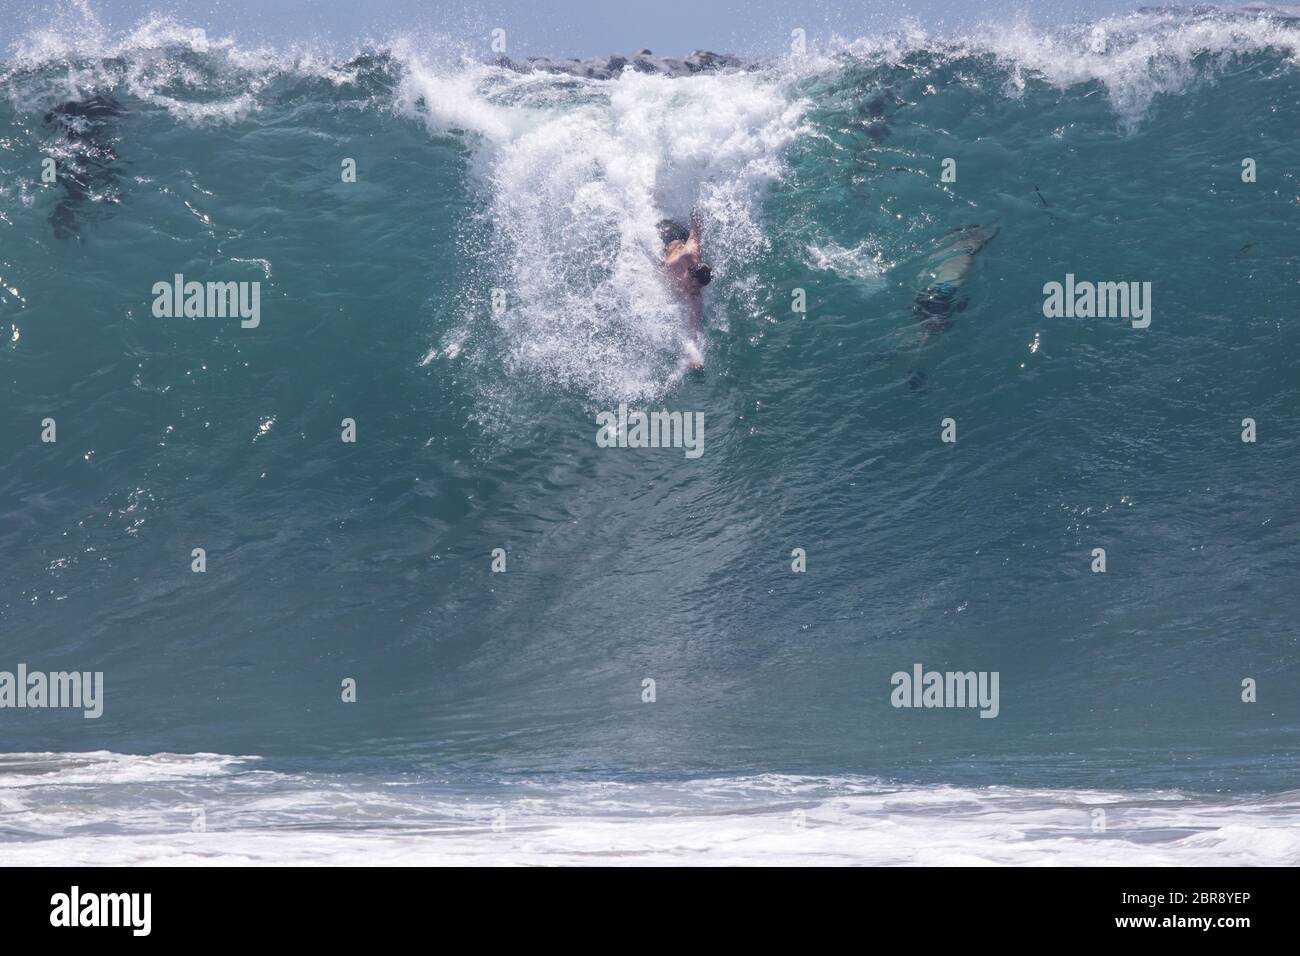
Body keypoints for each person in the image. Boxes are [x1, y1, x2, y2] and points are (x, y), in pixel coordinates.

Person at [659, 208, 712, 368]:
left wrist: (695, 358)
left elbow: (694, 330)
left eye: (697, 288)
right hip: (670, 237)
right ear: (690, 271)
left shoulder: (694, 297)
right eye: (692, 283)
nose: (692, 288)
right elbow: (696, 229)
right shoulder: (689, 253)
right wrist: (695, 210)